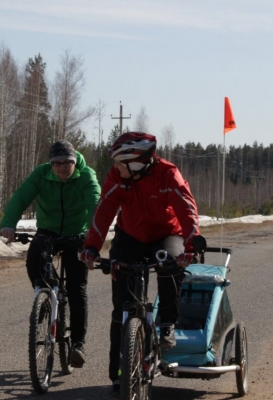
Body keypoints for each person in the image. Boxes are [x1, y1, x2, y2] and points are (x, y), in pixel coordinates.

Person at [80, 131, 200, 396]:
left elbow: (187, 209)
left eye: (120, 163)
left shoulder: (168, 174)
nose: (115, 167)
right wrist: (91, 246)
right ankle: (118, 374)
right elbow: (104, 211)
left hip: (166, 235)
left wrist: (191, 246)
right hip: (130, 236)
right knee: (121, 307)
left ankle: (167, 322)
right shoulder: (117, 177)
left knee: (170, 264)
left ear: (136, 163)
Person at [0, 140, 101, 368]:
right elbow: (21, 197)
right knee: (33, 262)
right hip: (48, 230)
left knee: (77, 289)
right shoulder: (41, 175)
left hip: (77, 233)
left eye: (68, 162)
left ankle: (78, 345)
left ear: (75, 161)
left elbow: (95, 202)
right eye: (57, 163)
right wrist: (8, 223)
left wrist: (91, 233)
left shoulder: (86, 176)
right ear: (51, 164)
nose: (63, 167)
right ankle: (46, 299)